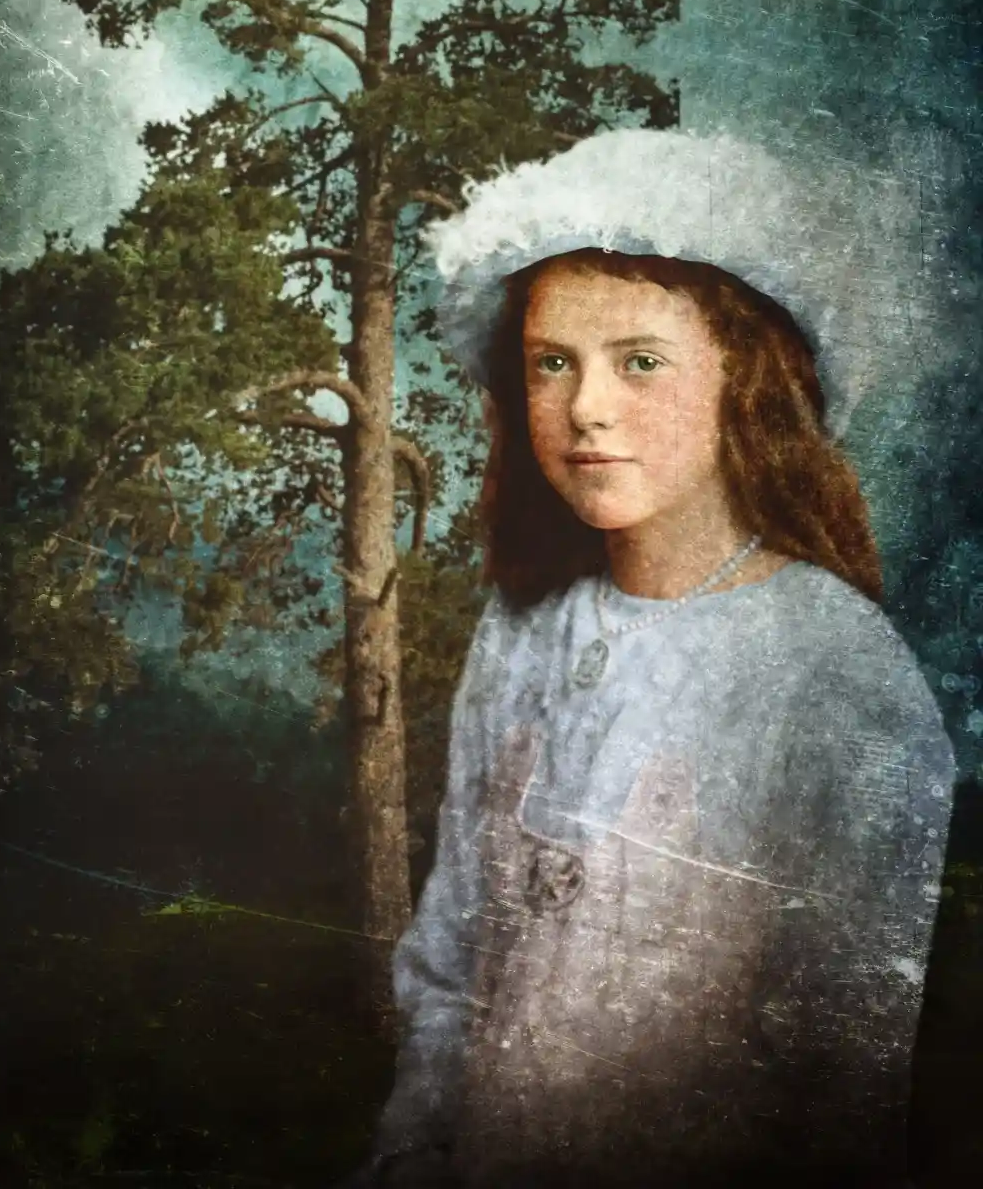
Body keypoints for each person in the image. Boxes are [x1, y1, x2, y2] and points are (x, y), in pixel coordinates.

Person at [348, 129, 956, 1188]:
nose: (586, 405)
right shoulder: (525, 627)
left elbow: (843, 1091)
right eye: (553, 363)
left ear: (746, 386)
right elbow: (451, 956)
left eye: (640, 362)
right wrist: (411, 1153)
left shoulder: (841, 673)